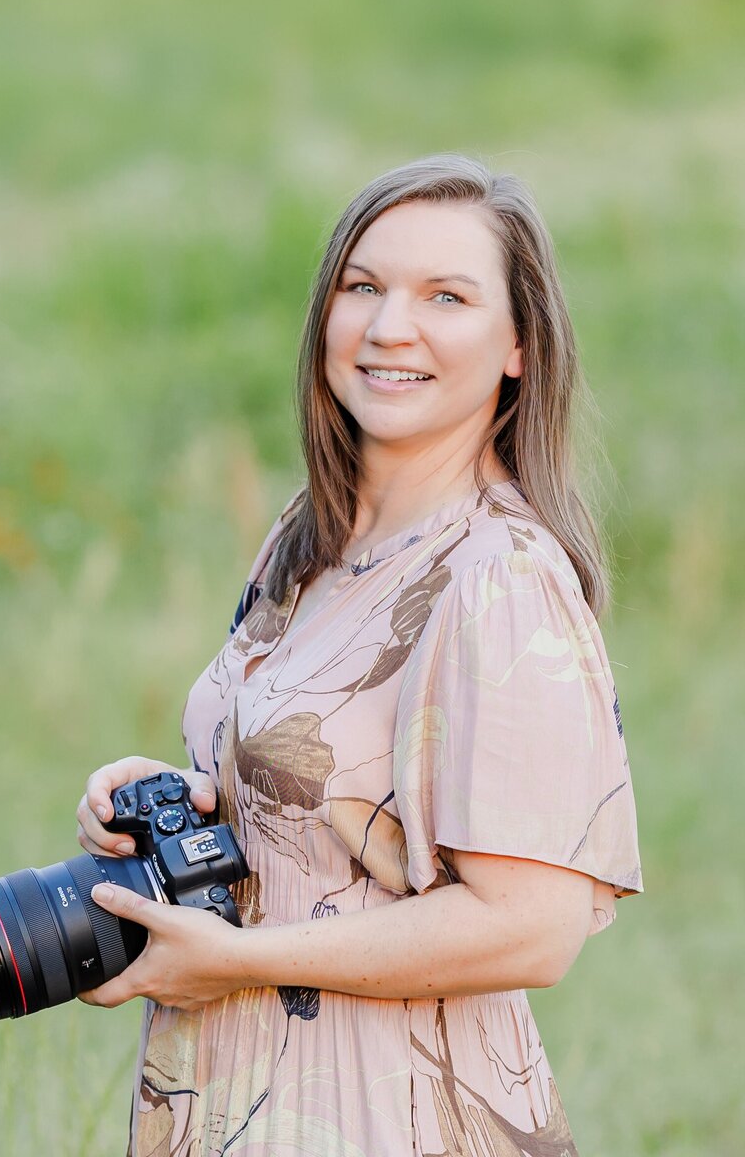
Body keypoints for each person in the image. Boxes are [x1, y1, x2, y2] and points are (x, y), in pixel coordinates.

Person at [75, 153, 643, 1156]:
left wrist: (239, 960)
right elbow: (334, 810)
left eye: (446, 297)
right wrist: (184, 799)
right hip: (242, 1093)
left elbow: (531, 926)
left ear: (518, 345)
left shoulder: (498, 576)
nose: (389, 327)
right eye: (362, 286)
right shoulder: (311, 540)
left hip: (386, 1113)